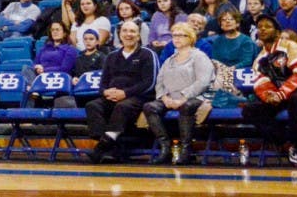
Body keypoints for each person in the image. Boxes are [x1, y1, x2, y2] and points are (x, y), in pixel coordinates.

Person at [242, 14, 297, 168]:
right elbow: (261, 82)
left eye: (268, 26)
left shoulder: (290, 47)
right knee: (250, 110)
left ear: (278, 32)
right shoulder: (260, 58)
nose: (263, 29)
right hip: (284, 95)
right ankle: (290, 143)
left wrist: (280, 94)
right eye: (260, 27)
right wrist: (270, 96)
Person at [142, 22, 214, 165]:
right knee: (150, 107)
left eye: (181, 35)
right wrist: (164, 97)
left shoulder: (199, 57)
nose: (177, 38)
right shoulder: (170, 60)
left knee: (186, 106)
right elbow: (160, 81)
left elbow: (203, 82)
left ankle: (186, 149)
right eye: (174, 35)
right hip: (171, 97)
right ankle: (165, 147)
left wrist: (183, 96)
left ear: (191, 38)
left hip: (196, 97)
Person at [85, 21, 158, 163]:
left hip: (138, 97)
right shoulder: (111, 56)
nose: (128, 35)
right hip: (112, 96)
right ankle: (112, 147)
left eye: (132, 31)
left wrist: (125, 93)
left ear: (138, 35)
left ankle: (101, 149)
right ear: (119, 34)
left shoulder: (148, 54)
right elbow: (102, 83)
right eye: (125, 31)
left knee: (122, 106)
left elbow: (149, 83)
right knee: (92, 105)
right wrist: (106, 92)